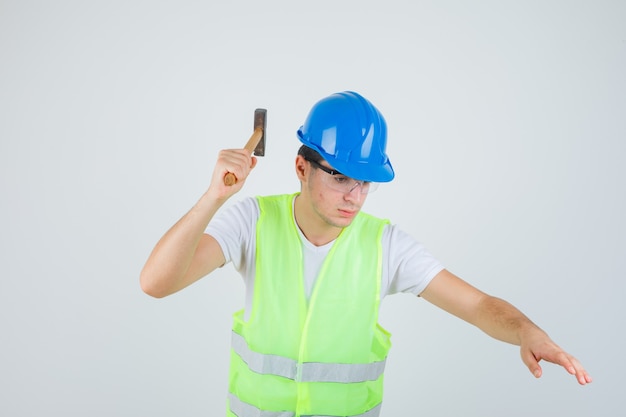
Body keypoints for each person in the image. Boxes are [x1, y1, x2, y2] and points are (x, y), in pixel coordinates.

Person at [140, 91, 592, 417]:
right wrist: (212, 198)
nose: (354, 196)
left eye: (365, 181)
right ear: (302, 167)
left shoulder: (386, 245)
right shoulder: (252, 223)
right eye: (340, 177)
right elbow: (156, 283)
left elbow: (477, 305)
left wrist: (527, 332)